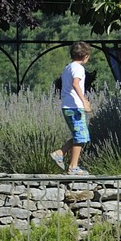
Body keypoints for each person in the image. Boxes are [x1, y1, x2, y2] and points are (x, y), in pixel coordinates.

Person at [51, 42, 94, 174]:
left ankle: (60, 153)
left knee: (80, 135)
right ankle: (73, 167)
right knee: (81, 136)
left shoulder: (68, 67)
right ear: (85, 56)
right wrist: (84, 101)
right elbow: (76, 83)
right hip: (74, 106)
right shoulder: (78, 68)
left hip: (68, 106)